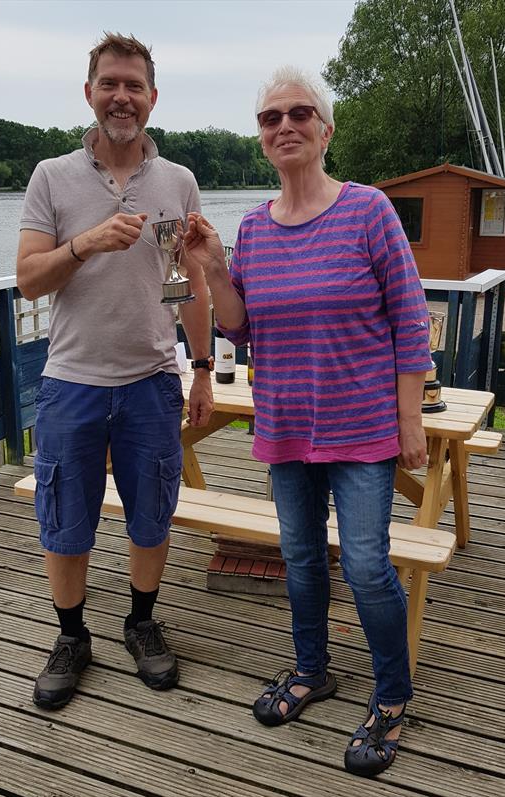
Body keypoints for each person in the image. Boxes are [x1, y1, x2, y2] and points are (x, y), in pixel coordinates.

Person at [182, 66, 432, 777]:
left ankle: (391, 697)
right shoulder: (255, 227)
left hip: (363, 427)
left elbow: (411, 324)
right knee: (299, 558)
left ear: (325, 130)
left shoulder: (368, 210)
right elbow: (242, 328)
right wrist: (214, 269)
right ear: (261, 138)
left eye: (299, 114)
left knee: (364, 563)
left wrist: (410, 417)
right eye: (270, 118)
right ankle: (311, 668)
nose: (284, 126)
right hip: (287, 424)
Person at [17, 33, 213, 710]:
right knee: (64, 518)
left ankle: (141, 621)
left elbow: (182, 284)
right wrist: (87, 241)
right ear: (90, 93)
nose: (121, 96)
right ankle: (72, 636)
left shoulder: (178, 182)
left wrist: (205, 368)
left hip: (153, 379)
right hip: (71, 379)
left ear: (152, 99)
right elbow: (26, 281)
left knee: (151, 514)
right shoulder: (52, 176)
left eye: (134, 86)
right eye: (110, 83)